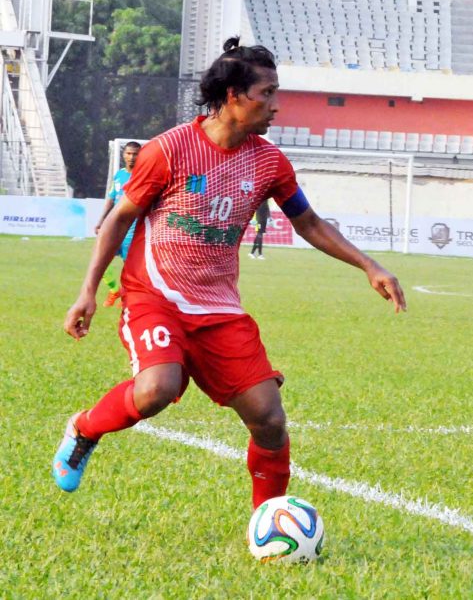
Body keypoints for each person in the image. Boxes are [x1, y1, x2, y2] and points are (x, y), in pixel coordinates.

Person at [53, 38, 407, 512]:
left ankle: (271, 520)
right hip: (154, 294)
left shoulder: (268, 162)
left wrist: (370, 265)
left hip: (218, 308)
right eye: (267, 94)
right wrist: (88, 292)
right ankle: (84, 428)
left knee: (269, 419)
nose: (276, 106)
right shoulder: (169, 150)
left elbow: (309, 222)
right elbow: (118, 218)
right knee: (157, 389)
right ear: (234, 95)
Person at [95, 141, 142, 307]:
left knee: (130, 267)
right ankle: (115, 290)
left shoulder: (143, 175)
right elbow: (111, 199)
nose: (131, 157)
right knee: (100, 260)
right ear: (123, 154)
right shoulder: (119, 175)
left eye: (135, 154)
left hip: (132, 228)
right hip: (115, 226)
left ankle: (128, 297)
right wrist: (102, 220)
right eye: (129, 153)